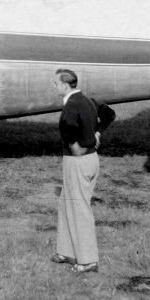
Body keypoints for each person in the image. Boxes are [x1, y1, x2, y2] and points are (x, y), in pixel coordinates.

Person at [52, 68, 115, 273]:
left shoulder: (71, 104)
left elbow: (67, 125)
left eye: (56, 83)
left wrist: (73, 144)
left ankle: (88, 261)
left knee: (79, 208)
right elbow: (109, 114)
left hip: (77, 161)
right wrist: (97, 132)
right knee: (65, 203)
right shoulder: (88, 101)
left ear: (65, 85)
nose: (54, 86)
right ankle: (66, 251)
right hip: (92, 160)